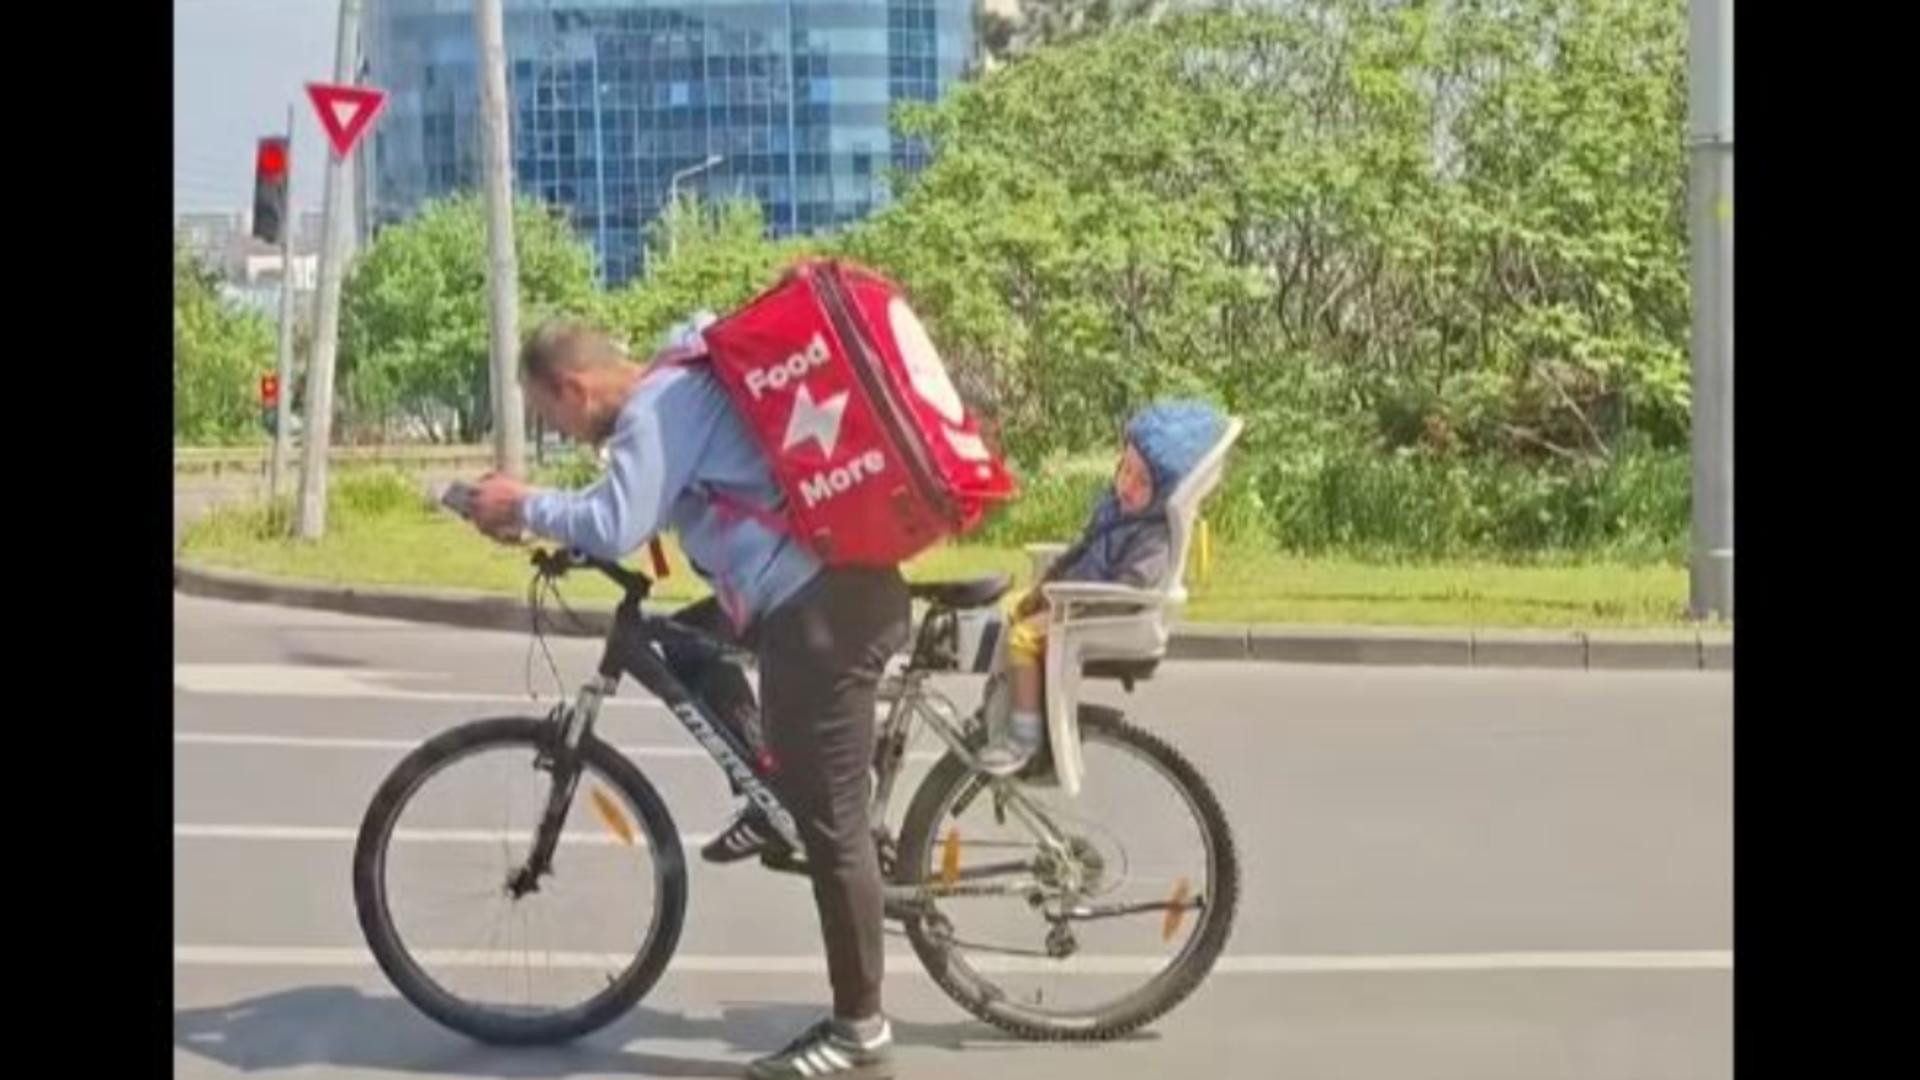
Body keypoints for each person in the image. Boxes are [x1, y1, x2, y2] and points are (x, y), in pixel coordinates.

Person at [465, 317, 908, 1080]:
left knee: (832, 826)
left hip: (824, 613)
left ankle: (859, 1031)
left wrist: (525, 503)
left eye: (551, 418)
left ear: (571, 388)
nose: (563, 434)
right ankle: (769, 784)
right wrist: (561, 533)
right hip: (816, 597)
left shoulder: (656, 407)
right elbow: (635, 504)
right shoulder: (678, 388)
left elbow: (617, 520)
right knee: (682, 646)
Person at [975, 399, 1229, 776]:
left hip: (1096, 611)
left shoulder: (1152, 535)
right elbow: (1081, 551)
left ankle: (1023, 739)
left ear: (1164, 494)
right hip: (1076, 600)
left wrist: (1064, 603)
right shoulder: (1119, 512)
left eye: (1143, 482)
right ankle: (1004, 708)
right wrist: (1044, 590)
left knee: (1024, 638)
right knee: (1010, 609)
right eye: (1125, 470)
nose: (1127, 485)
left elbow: (1130, 588)